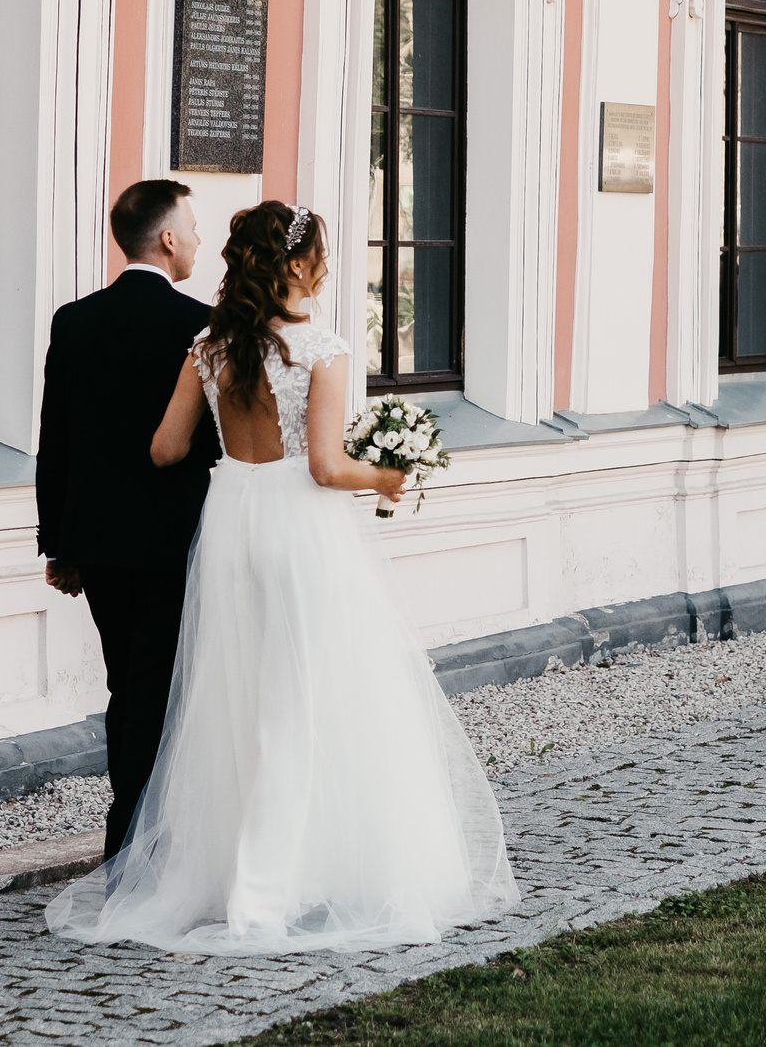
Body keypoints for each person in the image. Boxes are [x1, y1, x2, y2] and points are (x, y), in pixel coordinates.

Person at [46, 201, 517, 953]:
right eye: (321, 255)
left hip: (231, 525)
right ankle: (270, 891)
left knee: (233, 699)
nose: (325, 266)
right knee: (303, 699)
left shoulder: (208, 346)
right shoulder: (322, 349)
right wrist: (388, 475)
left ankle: (235, 873)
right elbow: (329, 467)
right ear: (297, 263)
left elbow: (166, 449)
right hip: (300, 530)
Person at [36, 179, 218, 861]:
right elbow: (213, 440)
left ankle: (140, 834)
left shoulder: (74, 319)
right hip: (178, 541)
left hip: (101, 544)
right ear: (167, 239)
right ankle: (141, 842)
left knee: (131, 685)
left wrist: (59, 543)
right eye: (194, 228)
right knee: (170, 690)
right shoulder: (198, 325)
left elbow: (58, 439)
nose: (200, 239)